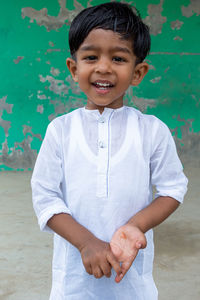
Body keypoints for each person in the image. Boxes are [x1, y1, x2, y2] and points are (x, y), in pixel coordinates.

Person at [31, 2, 188, 299]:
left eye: (118, 58)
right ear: (74, 68)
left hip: (131, 280)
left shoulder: (152, 130)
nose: (103, 67)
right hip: (74, 282)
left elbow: (173, 188)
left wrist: (135, 226)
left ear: (138, 72)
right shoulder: (60, 130)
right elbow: (44, 195)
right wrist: (85, 243)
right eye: (91, 57)